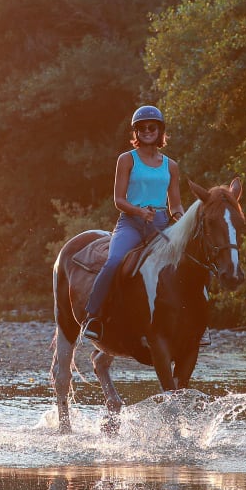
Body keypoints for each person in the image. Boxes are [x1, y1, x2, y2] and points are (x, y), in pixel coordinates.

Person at [81, 105, 184, 342]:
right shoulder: (126, 159)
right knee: (114, 261)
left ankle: (196, 323)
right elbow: (118, 200)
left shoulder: (171, 166)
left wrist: (181, 220)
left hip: (160, 224)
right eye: (142, 128)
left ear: (160, 131)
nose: (147, 131)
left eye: (152, 127)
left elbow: (176, 205)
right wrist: (139, 211)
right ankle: (93, 316)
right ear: (136, 132)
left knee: (186, 262)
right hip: (131, 223)